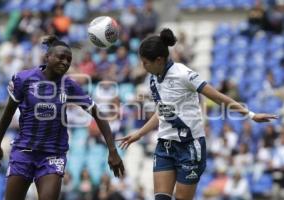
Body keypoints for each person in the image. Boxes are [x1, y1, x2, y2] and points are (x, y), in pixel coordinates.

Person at [116, 28, 277, 200]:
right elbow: (163, 112)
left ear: (159, 60)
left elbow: (217, 97)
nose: (142, 66)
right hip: (165, 146)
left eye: (145, 62)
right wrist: (139, 134)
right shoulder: (154, 79)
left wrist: (250, 114)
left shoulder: (183, 74)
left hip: (190, 147)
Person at [0, 36, 124, 200]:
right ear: (47, 57)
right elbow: (7, 114)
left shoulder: (69, 86)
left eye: (69, 59)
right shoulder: (23, 79)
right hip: (24, 152)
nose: (66, 62)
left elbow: (98, 113)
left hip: (53, 155)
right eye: (61, 57)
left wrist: (112, 150)